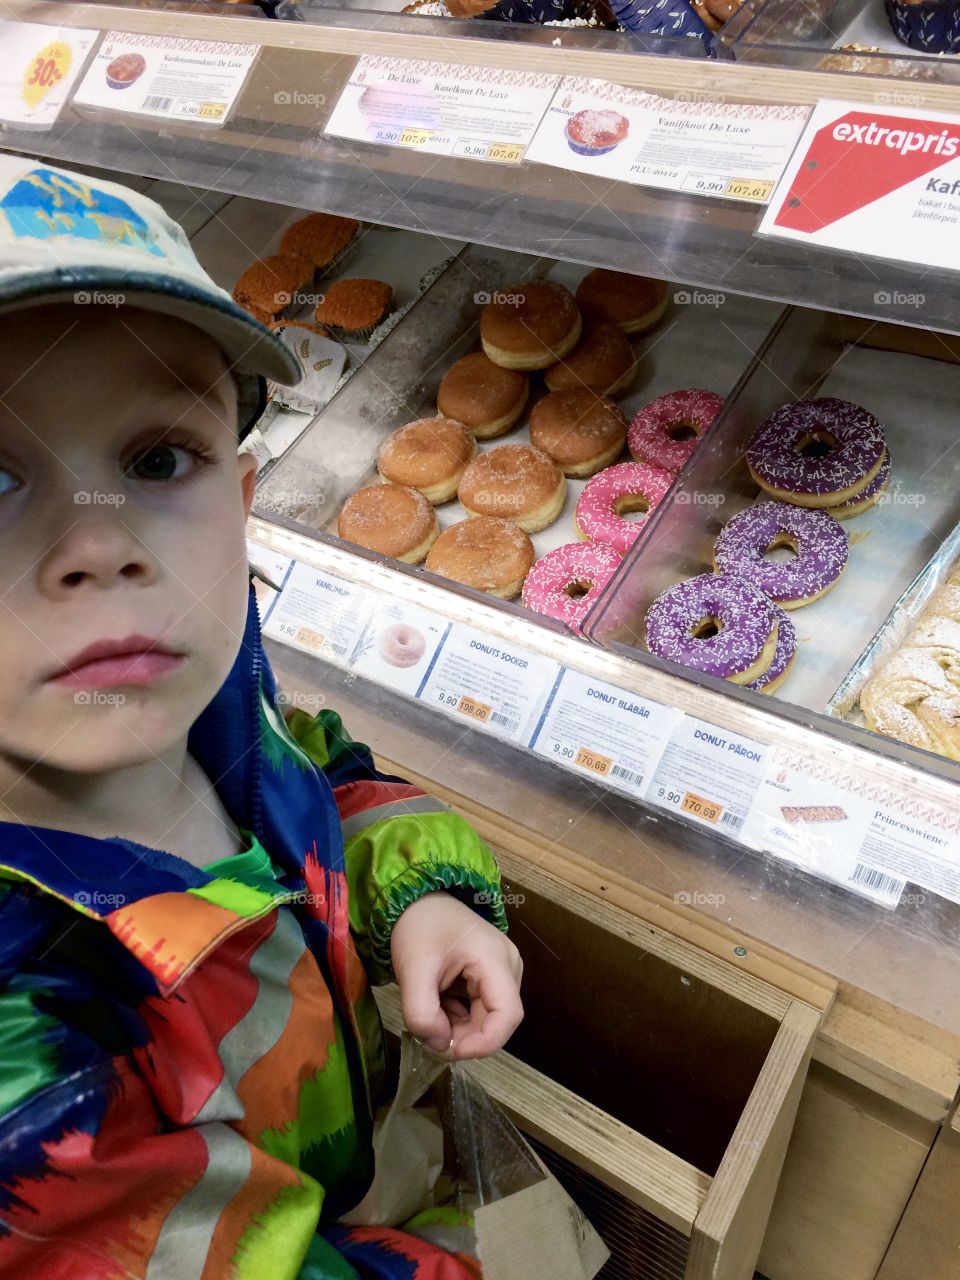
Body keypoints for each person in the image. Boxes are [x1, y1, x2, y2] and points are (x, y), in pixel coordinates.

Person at [0, 156, 523, 1278]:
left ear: (242, 503)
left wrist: (417, 889)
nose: (102, 542)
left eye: (157, 458)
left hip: (373, 1153)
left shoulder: (201, 696)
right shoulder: (28, 1048)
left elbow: (322, 770)